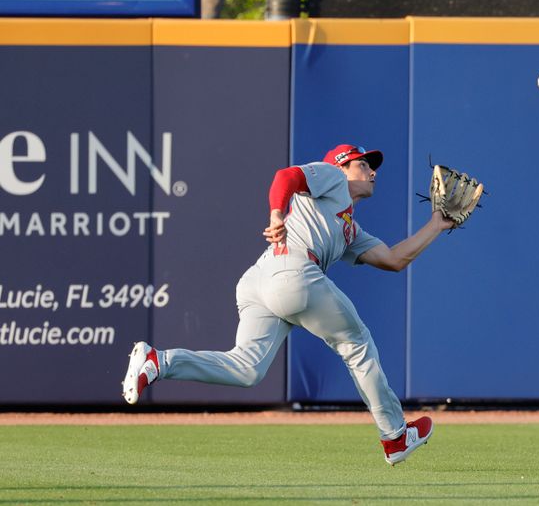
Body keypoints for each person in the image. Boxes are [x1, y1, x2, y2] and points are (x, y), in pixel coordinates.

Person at [122, 144, 457, 465]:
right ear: (342, 165)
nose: (372, 172)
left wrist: (437, 224)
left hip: (260, 281)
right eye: (363, 164)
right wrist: (276, 214)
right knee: (357, 345)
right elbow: (286, 177)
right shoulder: (332, 176)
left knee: (247, 369)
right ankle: (395, 435)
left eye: (372, 167)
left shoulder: (349, 228)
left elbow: (394, 259)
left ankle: (158, 361)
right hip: (292, 270)